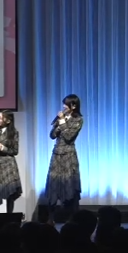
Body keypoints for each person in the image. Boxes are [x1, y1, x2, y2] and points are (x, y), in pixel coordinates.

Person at [45, 94, 84, 223]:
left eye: (66, 104)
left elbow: (68, 136)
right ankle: (50, 219)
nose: (63, 106)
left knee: (70, 185)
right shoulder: (61, 118)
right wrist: (57, 126)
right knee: (53, 183)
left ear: (73, 106)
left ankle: (73, 219)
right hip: (56, 154)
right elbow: (52, 135)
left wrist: (62, 122)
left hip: (68, 155)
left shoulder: (78, 120)